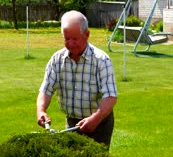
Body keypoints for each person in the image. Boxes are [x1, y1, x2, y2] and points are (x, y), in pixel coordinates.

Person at [36, 10, 118, 148]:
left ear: (87, 35)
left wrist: (95, 119)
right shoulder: (57, 60)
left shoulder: (101, 60)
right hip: (72, 123)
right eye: (66, 39)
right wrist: (41, 110)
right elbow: (46, 89)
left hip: (99, 122)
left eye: (75, 38)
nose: (70, 43)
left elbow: (110, 97)